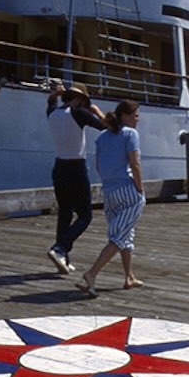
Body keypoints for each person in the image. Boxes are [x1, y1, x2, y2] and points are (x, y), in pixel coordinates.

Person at [76, 100, 145, 297]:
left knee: (125, 233)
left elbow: (98, 165)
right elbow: (135, 163)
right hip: (128, 189)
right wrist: (139, 188)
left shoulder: (102, 137)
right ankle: (91, 273)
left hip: (109, 192)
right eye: (135, 115)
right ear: (124, 115)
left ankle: (129, 276)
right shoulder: (130, 134)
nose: (137, 119)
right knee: (118, 237)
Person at [46, 81, 105, 275]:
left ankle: (63, 258)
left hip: (59, 167)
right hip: (76, 167)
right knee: (85, 215)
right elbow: (104, 127)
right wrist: (96, 111)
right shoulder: (78, 113)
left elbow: (51, 102)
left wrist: (55, 95)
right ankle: (60, 248)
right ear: (79, 100)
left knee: (65, 212)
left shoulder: (53, 114)